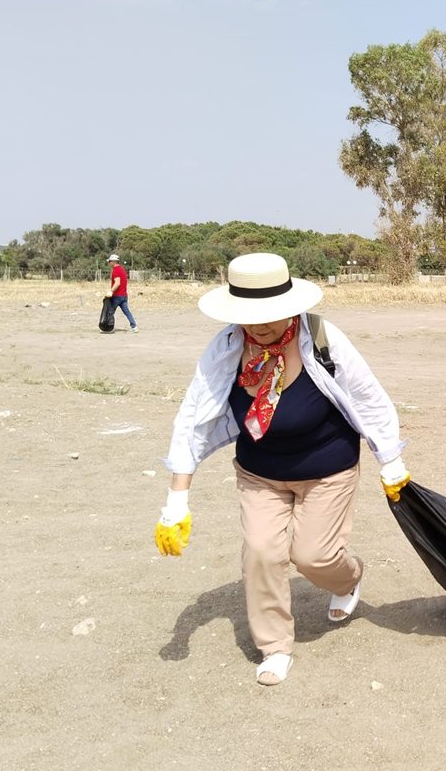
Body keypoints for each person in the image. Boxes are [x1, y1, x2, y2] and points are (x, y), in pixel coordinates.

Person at [154, 252, 409, 686]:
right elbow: (193, 415)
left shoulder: (323, 337)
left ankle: (348, 578)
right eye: (248, 315)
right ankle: (274, 646)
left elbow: (369, 397)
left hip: (328, 468)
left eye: (269, 314)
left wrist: (391, 460)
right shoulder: (227, 349)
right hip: (260, 472)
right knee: (261, 552)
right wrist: (177, 497)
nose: (259, 325)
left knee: (313, 555)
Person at [107, 254, 138, 333]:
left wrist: (111, 291)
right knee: (127, 311)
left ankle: (108, 327)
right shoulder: (122, 269)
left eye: (110, 261)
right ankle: (134, 326)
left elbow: (117, 283)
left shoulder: (116, 270)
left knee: (110, 311)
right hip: (124, 296)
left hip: (117, 296)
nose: (109, 263)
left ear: (114, 262)